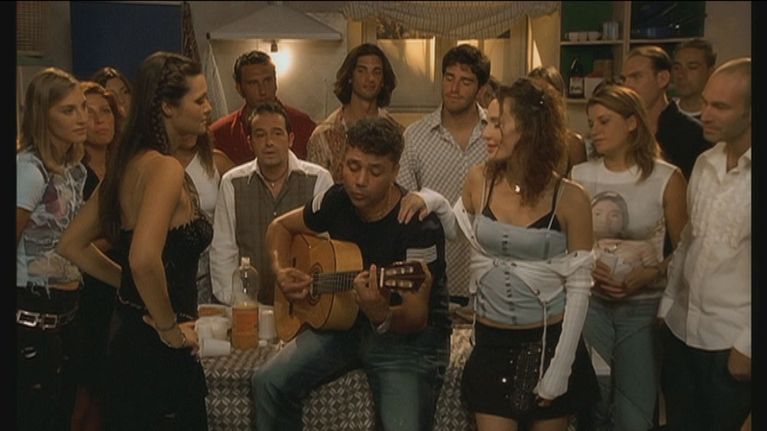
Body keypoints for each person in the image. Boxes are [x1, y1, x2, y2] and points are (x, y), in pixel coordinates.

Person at [252, 117, 451, 431]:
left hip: (409, 339)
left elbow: (417, 315)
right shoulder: (337, 199)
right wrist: (282, 271)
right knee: (268, 382)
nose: (360, 180)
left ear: (395, 172)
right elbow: (280, 227)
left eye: (375, 171)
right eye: (353, 166)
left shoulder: (419, 225)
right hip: (345, 324)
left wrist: (381, 313)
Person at [57, 51, 214, 430]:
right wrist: (168, 329)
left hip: (128, 340)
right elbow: (143, 258)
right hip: (155, 352)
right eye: (199, 100)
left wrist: (127, 284)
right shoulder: (164, 169)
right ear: (168, 108)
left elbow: (71, 244)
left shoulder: (127, 164)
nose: (209, 108)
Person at [452, 78, 599, 431]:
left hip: (546, 343)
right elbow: (454, 227)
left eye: (497, 123)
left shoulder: (571, 197)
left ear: (529, 129)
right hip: (491, 343)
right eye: (486, 122)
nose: (486, 133)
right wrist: (424, 199)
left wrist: (560, 368)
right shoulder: (479, 179)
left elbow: (580, 290)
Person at [570, 83, 688, 431]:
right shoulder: (580, 176)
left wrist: (652, 274)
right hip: (591, 305)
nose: (595, 130)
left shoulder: (666, 178)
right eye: (592, 123)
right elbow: (567, 242)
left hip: (642, 309)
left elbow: (686, 249)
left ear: (632, 122)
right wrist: (589, 267)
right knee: (592, 404)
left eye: (605, 121)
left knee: (634, 412)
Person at [658, 57, 751, 431]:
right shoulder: (704, 163)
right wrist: (667, 306)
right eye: (706, 103)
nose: (705, 115)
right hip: (682, 332)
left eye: (720, 107)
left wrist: (748, 345)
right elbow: (688, 242)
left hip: (730, 343)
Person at [17, 67, 88, 431]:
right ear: (43, 115)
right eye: (68, 110)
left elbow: (73, 241)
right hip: (30, 314)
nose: (82, 117)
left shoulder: (73, 171)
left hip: (66, 314)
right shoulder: (29, 170)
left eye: (82, 107)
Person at [210, 101, 333, 306]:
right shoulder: (232, 183)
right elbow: (223, 252)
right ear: (250, 142)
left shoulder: (318, 179)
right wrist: (241, 305)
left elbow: (328, 249)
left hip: (305, 305)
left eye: (277, 133)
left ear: (290, 139)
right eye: (260, 135)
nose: (269, 142)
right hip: (248, 307)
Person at [398, 43, 490, 308]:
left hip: (486, 275)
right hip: (431, 277)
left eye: (465, 81)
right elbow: (404, 208)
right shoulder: (415, 136)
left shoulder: (495, 135)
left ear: (480, 90)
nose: (454, 88)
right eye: (449, 78)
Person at [70, 81, 123, 431]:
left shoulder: (127, 167)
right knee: (84, 389)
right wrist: (114, 237)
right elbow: (69, 243)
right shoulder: (72, 173)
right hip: (85, 291)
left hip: (125, 288)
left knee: (116, 389)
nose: (100, 120)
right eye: (89, 113)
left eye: (106, 111)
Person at [306, 42, 403, 182]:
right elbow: (316, 188)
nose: (370, 78)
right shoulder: (324, 136)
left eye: (376, 72)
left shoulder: (397, 134)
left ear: (383, 80)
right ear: (350, 77)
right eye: (362, 71)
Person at [620, 45, 711, 180]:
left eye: (636, 76)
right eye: (624, 79)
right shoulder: (622, 131)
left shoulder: (694, 135)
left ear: (662, 79)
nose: (627, 86)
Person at [211, 50, 316, 164]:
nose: (262, 91)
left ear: (275, 82)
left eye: (267, 80)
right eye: (253, 83)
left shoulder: (302, 125)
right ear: (239, 88)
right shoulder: (220, 134)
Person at [177, 131, 235, 305]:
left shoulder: (216, 161)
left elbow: (241, 203)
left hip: (214, 262)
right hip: (175, 263)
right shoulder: (157, 164)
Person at [528, 65, 588, 172]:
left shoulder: (573, 144)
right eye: (533, 94)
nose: (539, 101)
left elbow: (578, 180)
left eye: (546, 94)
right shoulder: (517, 140)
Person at [671, 38, 717, 121]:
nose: (681, 75)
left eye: (692, 67)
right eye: (677, 68)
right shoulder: (662, 116)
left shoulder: (719, 118)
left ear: (710, 73)